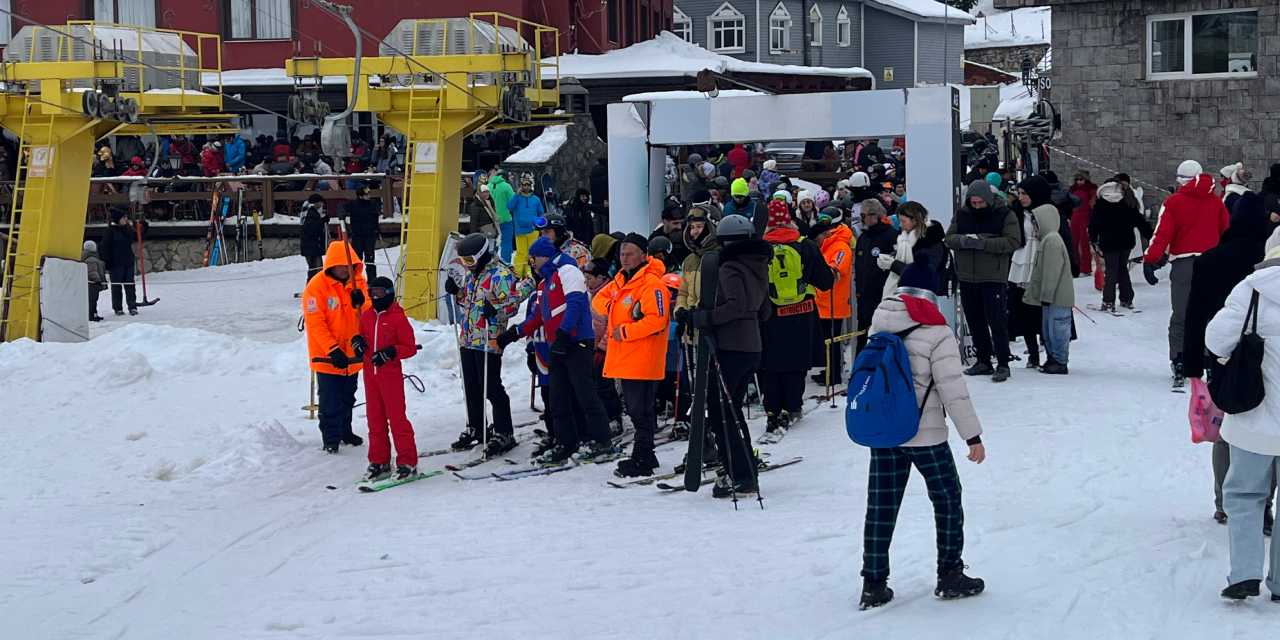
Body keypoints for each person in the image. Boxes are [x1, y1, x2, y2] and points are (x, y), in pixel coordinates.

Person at [859, 261, 987, 610]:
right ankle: (949, 574)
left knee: (881, 506)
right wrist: (972, 437)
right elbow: (952, 390)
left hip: (885, 432)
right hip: (926, 433)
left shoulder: (879, 320)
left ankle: (873, 582)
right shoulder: (937, 330)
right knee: (947, 499)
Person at [1183, 195, 1275, 528]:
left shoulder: (1209, 259)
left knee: (1224, 431)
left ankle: (1225, 501)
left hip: (1220, 358)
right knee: (1267, 432)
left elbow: (1193, 315)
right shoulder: (1265, 264)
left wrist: (1191, 362)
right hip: (1264, 358)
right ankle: (1262, 505)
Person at [1204, 237, 1280, 601]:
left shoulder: (1251, 291)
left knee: (1244, 494)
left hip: (1254, 417)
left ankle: (1245, 573)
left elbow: (1217, 340)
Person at [500, 237, 614, 463]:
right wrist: (513, 334)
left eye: (534, 259)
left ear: (544, 255)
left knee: (584, 393)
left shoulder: (567, 270)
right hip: (558, 345)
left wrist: (563, 334)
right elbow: (538, 317)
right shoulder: (546, 281)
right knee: (558, 397)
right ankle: (566, 441)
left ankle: (601, 439)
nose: (532, 264)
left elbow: (576, 304)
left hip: (576, 342)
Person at [691, 214, 772, 498]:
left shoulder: (729, 268)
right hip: (751, 345)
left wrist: (704, 317)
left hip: (731, 346)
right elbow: (764, 309)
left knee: (721, 411)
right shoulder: (758, 265)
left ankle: (740, 472)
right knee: (731, 409)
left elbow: (736, 306)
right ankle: (743, 466)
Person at [1143, 160, 1230, 387]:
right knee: (1211, 314)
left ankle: (1180, 359)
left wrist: (1151, 259)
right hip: (1213, 264)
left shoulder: (1174, 202)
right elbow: (1226, 231)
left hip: (1184, 264)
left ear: (1181, 179)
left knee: (1181, 315)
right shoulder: (1216, 202)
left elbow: (1162, 234)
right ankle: (1210, 359)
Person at [445, 233, 534, 456]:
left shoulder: (500, 275)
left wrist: (496, 309)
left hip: (489, 339)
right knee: (471, 387)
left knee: (491, 387)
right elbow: (468, 301)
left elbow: (512, 304)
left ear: (482, 256)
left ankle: (505, 431)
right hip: (468, 338)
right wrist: (457, 292)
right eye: (464, 262)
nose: (467, 266)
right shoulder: (473, 275)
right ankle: (477, 427)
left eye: (470, 261)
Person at [592, 234, 671, 477]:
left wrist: (625, 329)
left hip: (642, 356)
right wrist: (613, 310)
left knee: (641, 410)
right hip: (626, 357)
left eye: (630, 254)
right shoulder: (622, 280)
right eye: (622, 254)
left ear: (643, 255)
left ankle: (643, 456)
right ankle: (646, 453)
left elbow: (657, 321)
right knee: (637, 410)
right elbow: (599, 299)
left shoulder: (651, 284)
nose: (624, 258)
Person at [758, 199, 835, 435]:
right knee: (796, 361)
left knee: (769, 363)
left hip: (770, 315)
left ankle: (772, 408)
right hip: (802, 313)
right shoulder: (806, 245)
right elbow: (825, 282)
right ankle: (793, 405)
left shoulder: (760, 248)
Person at [945, 179, 1021, 382]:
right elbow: (949, 238)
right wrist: (963, 241)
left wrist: (983, 243)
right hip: (968, 277)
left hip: (993, 276)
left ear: (988, 200)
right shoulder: (962, 214)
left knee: (996, 321)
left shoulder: (1005, 214)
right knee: (975, 320)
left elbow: (1013, 241)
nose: (977, 206)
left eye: (980, 203)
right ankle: (983, 360)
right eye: (974, 203)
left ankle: (1003, 363)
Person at [302, 240, 370, 453]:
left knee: (348, 396)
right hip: (328, 356)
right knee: (330, 400)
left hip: (352, 355)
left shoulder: (359, 283)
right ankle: (330, 438)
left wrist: (363, 303)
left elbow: (367, 315)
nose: (345, 270)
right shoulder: (316, 287)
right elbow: (316, 323)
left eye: (348, 266)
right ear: (331, 265)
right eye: (340, 266)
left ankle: (345, 431)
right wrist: (332, 349)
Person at [358, 276, 420, 482]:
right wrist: (356, 342)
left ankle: (407, 462)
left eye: (379, 293)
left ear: (390, 293)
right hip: (370, 376)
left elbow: (410, 347)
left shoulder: (397, 317)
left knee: (397, 419)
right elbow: (361, 338)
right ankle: (379, 460)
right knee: (375, 420)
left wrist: (392, 352)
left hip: (390, 376)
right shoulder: (366, 316)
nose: (375, 297)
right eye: (371, 293)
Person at [1021, 178, 1075, 375]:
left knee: (1057, 330)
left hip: (1056, 296)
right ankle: (1053, 358)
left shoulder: (1051, 241)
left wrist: (1046, 294)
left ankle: (1059, 360)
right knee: (1050, 329)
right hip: (1052, 297)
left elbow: (1052, 272)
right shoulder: (1047, 239)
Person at [1088, 179, 1153, 312]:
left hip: (1109, 242)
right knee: (1122, 268)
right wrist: (1151, 236)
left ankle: (1108, 300)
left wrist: (1094, 240)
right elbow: (1140, 221)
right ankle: (1126, 298)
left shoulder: (1101, 204)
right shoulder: (1127, 201)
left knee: (1111, 271)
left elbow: (1094, 225)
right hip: (1126, 242)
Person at [811, 214, 853, 385]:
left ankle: (834, 374)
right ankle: (829, 369)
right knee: (826, 341)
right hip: (823, 301)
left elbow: (835, 269)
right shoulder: (827, 247)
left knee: (833, 341)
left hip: (835, 302)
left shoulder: (840, 247)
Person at [584, 258, 624, 432]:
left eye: (590, 278)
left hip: (608, 347)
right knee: (593, 384)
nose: (586, 282)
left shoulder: (612, 294)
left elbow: (613, 324)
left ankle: (614, 418)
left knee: (604, 384)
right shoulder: (593, 294)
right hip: (593, 346)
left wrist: (602, 346)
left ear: (602, 278)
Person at [854, 199, 898, 350]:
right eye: (862, 215)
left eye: (868, 215)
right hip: (864, 298)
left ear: (877, 215)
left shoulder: (891, 236)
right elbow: (859, 267)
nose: (865, 218)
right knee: (863, 336)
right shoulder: (863, 238)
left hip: (883, 297)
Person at [1006, 183, 1042, 367]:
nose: (1021, 197)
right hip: (1021, 258)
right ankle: (1033, 354)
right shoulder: (1015, 213)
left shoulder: (1046, 211)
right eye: (1019, 193)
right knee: (1024, 308)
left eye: (1025, 193)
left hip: (1041, 257)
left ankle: (1051, 353)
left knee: (1043, 309)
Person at [879, 202, 945, 299]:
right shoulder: (905, 239)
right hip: (902, 296)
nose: (900, 225)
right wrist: (891, 258)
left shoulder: (932, 242)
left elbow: (924, 275)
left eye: (903, 221)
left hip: (921, 299)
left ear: (915, 220)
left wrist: (893, 264)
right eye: (899, 221)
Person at [98, 209, 145, 316]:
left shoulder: (127, 229)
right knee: (116, 286)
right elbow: (104, 247)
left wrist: (142, 226)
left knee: (130, 285)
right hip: (115, 263)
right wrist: (107, 261)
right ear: (118, 219)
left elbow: (137, 236)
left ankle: (132, 306)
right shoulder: (110, 231)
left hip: (128, 261)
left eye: (126, 217)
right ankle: (118, 308)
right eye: (124, 218)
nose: (126, 219)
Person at [508, 174, 545, 278]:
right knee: (521, 253)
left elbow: (541, 214)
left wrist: (539, 225)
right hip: (520, 231)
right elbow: (509, 207)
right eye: (524, 185)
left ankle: (530, 274)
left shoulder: (536, 199)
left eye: (528, 185)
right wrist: (516, 195)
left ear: (531, 186)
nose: (526, 187)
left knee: (532, 253)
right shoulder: (516, 198)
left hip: (533, 231)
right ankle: (518, 274)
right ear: (521, 186)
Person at [344, 186, 381, 280]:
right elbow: (341, 207)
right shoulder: (353, 204)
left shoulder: (372, 203)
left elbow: (375, 218)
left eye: (369, 193)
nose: (369, 195)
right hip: (357, 236)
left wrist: (377, 230)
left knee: (370, 259)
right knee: (356, 259)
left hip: (370, 235)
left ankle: (372, 280)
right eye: (366, 194)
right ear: (360, 196)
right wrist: (342, 215)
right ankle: (355, 279)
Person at [1068, 171, 1098, 276]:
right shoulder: (1072, 190)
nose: (1079, 182)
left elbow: (1093, 204)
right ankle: (1075, 267)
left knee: (1084, 243)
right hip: (1074, 217)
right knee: (1073, 243)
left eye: (1081, 179)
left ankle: (1086, 268)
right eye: (1077, 179)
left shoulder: (1091, 189)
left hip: (1085, 217)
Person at [489, 169, 516, 263]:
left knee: (492, 243)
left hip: (491, 220)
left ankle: (492, 263)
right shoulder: (506, 186)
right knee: (506, 243)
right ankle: (506, 263)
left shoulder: (488, 186)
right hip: (505, 219)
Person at [300, 194, 327, 287]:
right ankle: (312, 287)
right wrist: (322, 221)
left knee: (315, 268)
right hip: (311, 245)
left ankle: (315, 286)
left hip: (311, 244)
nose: (321, 204)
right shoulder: (311, 213)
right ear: (316, 203)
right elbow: (312, 228)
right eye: (320, 202)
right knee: (315, 268)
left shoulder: (308, 211)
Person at [83, 240, 106, 322]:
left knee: (92, 300)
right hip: (93, 283)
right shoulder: (91, 259)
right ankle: (92, 315)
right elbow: (92, 272)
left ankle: (94, 314)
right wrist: (97, 280)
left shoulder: (89, 257)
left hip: (91, 283)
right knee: (92, 300)